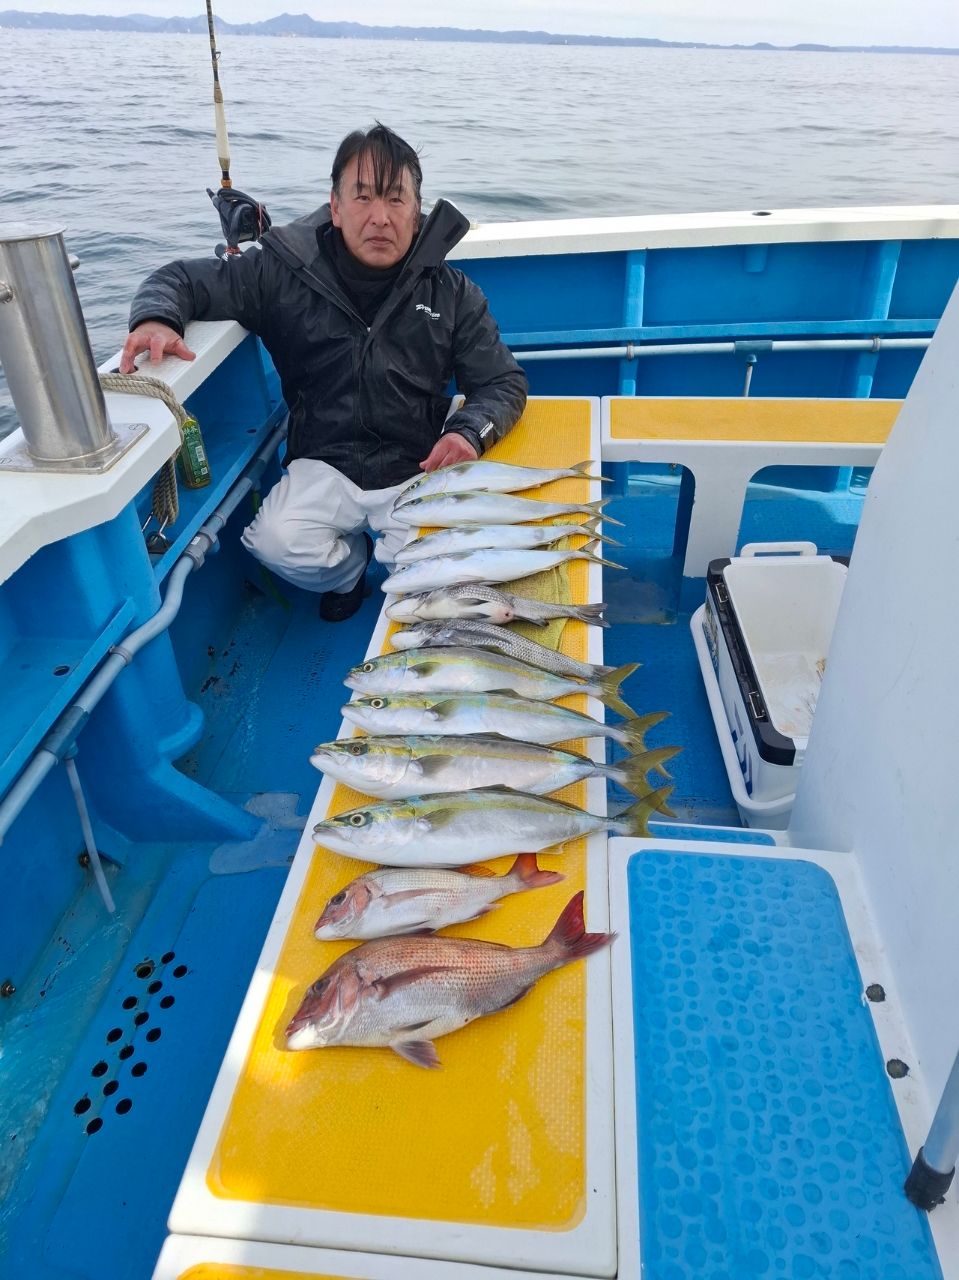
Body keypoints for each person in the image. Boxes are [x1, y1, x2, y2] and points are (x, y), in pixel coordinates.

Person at [121, 123, 527, 620]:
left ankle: (400, 563)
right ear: (335, 207)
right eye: (363, 197)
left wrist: (469, 432)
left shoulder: (453, 291)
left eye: (396, 199)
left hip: (418, 463)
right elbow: (181, 279)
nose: (380, 217)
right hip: (324, 459)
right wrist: (156, 319)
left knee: (446, 585)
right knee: (275, 541)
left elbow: (501, 383)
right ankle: (348, 572)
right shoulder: (281, 272)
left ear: (417, 211)